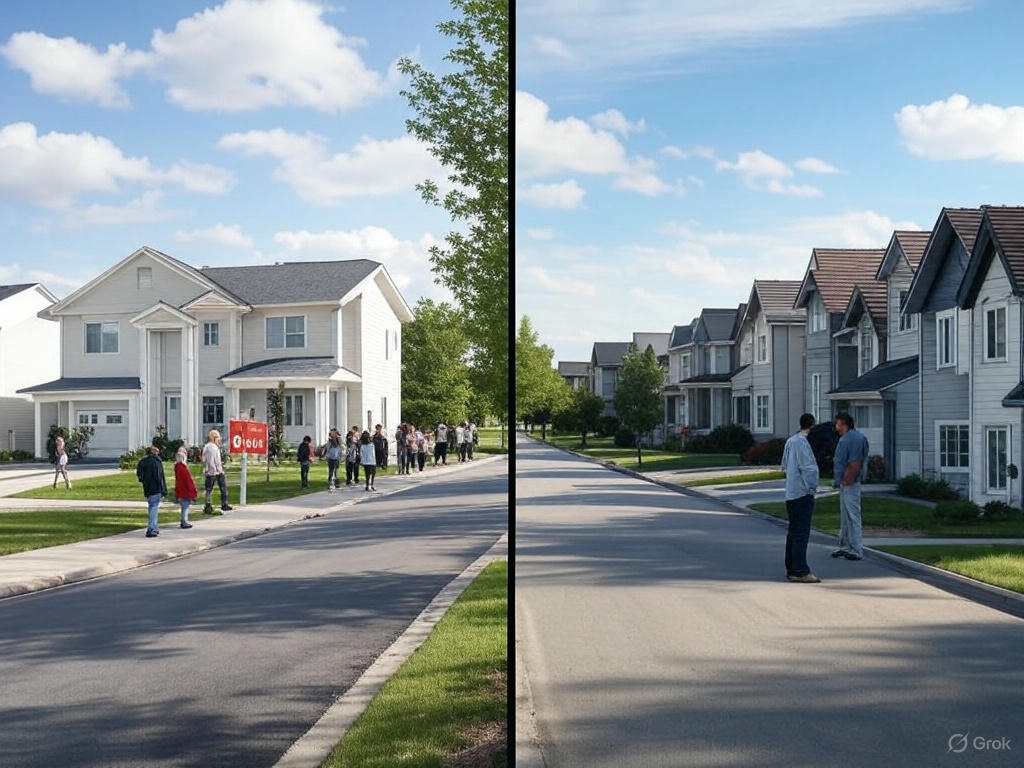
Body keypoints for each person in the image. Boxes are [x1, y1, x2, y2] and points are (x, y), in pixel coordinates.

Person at [781, 413, 821, 583]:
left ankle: (791, 567)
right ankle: (800, 570)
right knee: (801, 532)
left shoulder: (790, 441)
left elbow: (783, 465)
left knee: (793, 531)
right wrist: (811, 488)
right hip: (802, 492)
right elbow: (809, 469)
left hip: (790, 492)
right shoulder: (803, 444)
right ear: (811, 426)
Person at [832, 411, 869, 561]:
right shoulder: (849, 438)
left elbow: (855, 462)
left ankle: (856, 549)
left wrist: (847, 479)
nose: (836, 427)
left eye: (838, 424)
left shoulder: (853, 439)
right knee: (845, 516)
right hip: (845, 482)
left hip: (850, 483)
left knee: (853, 515)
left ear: (845, 424)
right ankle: (845, 546)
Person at [136, 440, 166, 538]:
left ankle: (154, 526)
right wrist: (163, 489)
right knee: (154, 508)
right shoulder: (156, 462)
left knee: (151, 507)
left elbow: (139, 474)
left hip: (147, 487)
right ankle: (152, 528)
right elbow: (159, 476)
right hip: (156, 488)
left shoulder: (142, 462)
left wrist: (143, 480)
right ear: (154, 452)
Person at [202, 429, 232, 513]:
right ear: (213, 438)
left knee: (210, 490)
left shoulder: (208, 446)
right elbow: (213, 461)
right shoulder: (212, 448)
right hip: (214, 472)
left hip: (211, 471)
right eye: (218, 438)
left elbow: (205, 460)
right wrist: (219, 470)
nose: (219, 440)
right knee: (220, 488)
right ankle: (221, 505)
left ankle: (209, 505)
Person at [173, 446, 197, 529]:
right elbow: (188, 480)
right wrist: (193, 491)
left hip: (180, 489)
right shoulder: (183, 467)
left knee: (184, 506)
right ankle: (184, 521)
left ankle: (184, 521)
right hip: (185, 490)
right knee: (185, 506)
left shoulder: (177, 467)